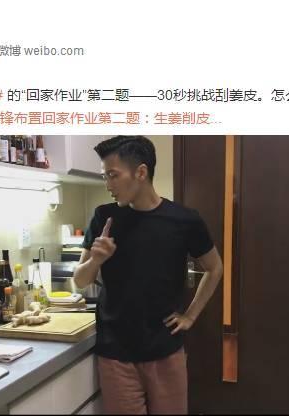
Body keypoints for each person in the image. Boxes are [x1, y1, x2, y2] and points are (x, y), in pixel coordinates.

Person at [74, 136, 223, 415]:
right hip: (116, 353)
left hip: (165, 350)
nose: (108, 185)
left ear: (141, 172)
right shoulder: (104, 217)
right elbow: (80, 280)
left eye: (113, 175)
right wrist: (96, 259)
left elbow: (215, 268)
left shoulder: (184, 220)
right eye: (105, 176)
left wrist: (190, 316)